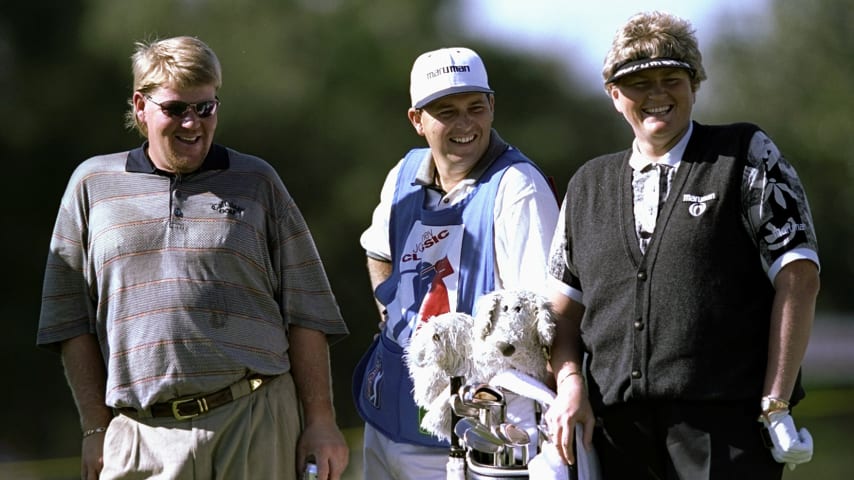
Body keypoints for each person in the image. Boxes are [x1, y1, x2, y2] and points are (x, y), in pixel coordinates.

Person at [37, 36, 349, 480]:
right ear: (141, 106)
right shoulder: (92, 185)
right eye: (176, 109)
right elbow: (70, 320)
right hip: (140, 434)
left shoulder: (256, 181)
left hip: (254, 417)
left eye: (206, 108)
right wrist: (94, 430)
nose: (192, 124)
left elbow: (307, 307)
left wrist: (320, 420)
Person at [544, 10, 819, 479]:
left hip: (727, 427)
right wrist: (570, 385)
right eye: (638, 84)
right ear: (614, 96)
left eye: (671, 79)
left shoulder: (746, 154)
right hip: (617, 433)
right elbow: (560, 316)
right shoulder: (587, 184)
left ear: (695, 85)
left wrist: (776, 400)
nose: (656, 95)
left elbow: (799, 278)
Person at [352, 47, 560, 480]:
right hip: (388, 414)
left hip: (476, 437)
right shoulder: (403, 174)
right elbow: (378, 251)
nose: (465, 124)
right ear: (417, 120)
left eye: (475, 108)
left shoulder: (519, 187)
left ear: (492, 107)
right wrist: (393, 318)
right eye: (447, 111)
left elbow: (545, 318)